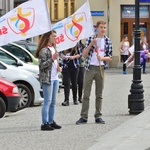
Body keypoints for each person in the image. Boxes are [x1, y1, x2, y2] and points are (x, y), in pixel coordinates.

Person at [76, 20, 113, 125]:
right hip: (90, 68)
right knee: (86, 93)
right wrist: (91, 44)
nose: (103, 29)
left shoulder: (108, 41)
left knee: (99, 94)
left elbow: (110, 57)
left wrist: (102, 58)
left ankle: (98, 115)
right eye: (101, 27)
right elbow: (84, 54)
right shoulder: (91, 39)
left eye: (104, 27)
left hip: (100, 67)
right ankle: (83, 116)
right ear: (97, 28)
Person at [35, 30, 62, 131]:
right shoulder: (44, 50)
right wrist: (52, 58)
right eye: (54, 36)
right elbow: (42, 65)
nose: (55, 38)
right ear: (48, 38)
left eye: (56, 36)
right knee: (47, 101)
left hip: (55, 77)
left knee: (53, 102)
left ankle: (51, 121)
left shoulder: (53, 48)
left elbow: (55, 63)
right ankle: (44, 123)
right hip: (48, 78)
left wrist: (58, 67)